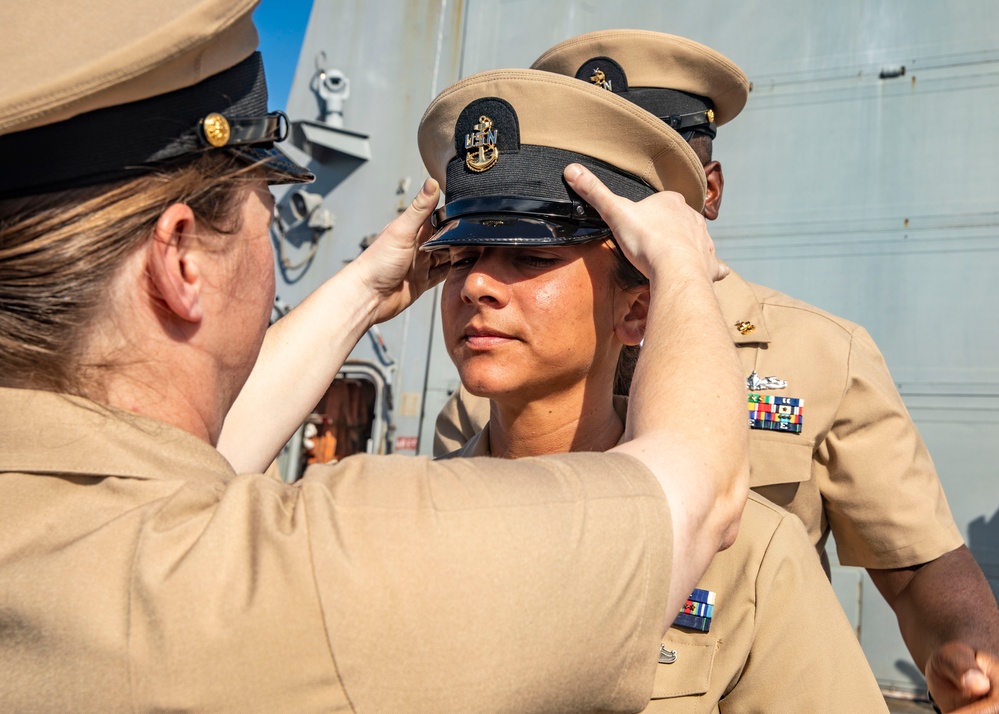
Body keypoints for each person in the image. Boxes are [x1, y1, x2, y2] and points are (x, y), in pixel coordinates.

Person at [0, 4, 749, 712]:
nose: (480, 283)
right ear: (182, 260)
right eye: (266, 198)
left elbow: (175, 462)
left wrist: (362, 288)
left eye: (529, 256)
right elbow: (694, 490)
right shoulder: (319, 571)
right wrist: (678, 267)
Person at [433, 29, 999, 713]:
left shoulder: (818, 355)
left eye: (646, 179)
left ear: (706, 190)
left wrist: (967, 645)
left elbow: (912, 564)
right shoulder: (494, 387)